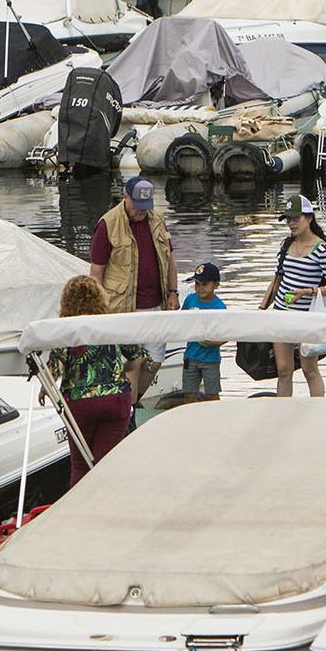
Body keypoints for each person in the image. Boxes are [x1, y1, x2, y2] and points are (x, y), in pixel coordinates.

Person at [44, 275, 139, 490]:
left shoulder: (66, 328)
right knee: (106, 464)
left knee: (80, 466)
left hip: (80, 403)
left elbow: (55, 367)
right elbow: (137, 355)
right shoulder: (111, 324)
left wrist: (44, 388)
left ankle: (78, 511)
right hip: (115, 398)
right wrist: (123, 379)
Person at [88, 176, 176, 395]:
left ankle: (132, 402)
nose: (141, 212)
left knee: (154, 362)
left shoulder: (157, 220)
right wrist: (98, 308)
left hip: (156, 306)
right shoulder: (107, 224)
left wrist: (173, 292)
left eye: (146, 207)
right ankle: (129, 413)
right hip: (123, 308)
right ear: (125, 198)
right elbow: (96, 271)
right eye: (138, 206)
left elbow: (170, 260)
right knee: (131, 364)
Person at [259, 194, 326, 399]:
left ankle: (317, 410)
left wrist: (308, 292)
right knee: (284, 370)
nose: (291, 223)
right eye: (288, 219)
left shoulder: (321, 249)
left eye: (295, 218)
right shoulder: (286, 245)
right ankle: (282, 411)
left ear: (309, 218)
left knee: (309, 369)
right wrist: (262, 309)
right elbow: (277, 280)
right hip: (281, 313)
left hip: (306, 317)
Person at [179, 261, 226, 398]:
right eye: (197, 284)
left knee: (212, 395)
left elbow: (226, 335)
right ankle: (191, 419)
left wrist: (215, 343)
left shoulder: (220, 307)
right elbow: (181, 320)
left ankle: (214, 419)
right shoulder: (190, 299)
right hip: (190, 355)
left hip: (211, 359)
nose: (200, 288)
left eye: (205, 284)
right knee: (188, 394)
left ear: (216, 285)